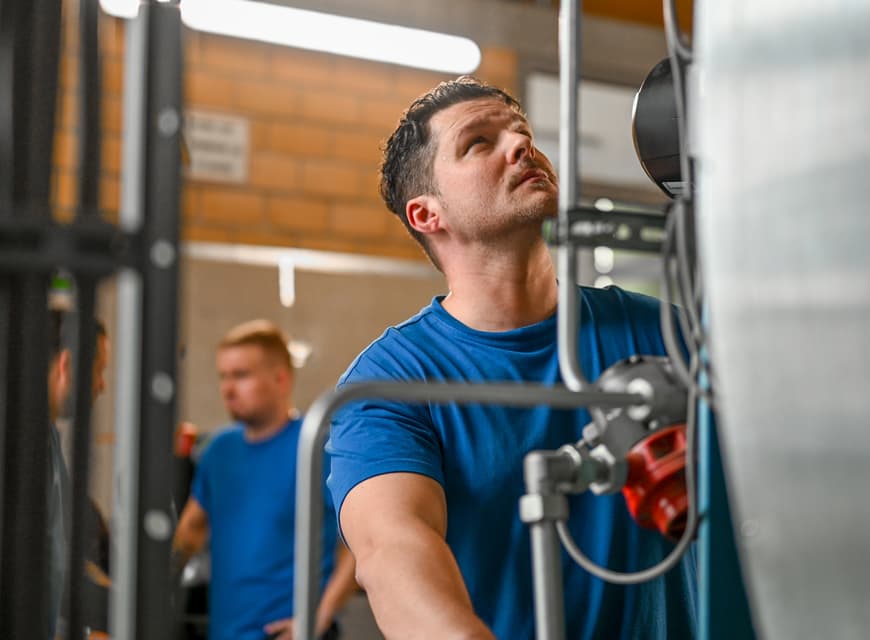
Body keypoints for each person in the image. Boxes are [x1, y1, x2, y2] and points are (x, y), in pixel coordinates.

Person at [326, 77, 698, 639]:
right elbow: (392, 550)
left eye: (521, 132)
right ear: (427, 214)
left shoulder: (664, 332)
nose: (522, 146)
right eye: (479, 142)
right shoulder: (390, 385)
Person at [173, 320, 357, 640]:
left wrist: (317, 618)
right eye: (223, 376)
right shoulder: (218, 450)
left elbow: (357, 547)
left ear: (281, 378)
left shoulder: (318, 446)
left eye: (241, 375)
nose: (228, 389)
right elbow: (190, 532)